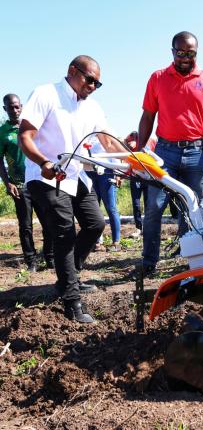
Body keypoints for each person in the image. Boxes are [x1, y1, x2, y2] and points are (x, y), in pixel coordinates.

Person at [18, 55, 126, 323]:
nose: (92, 86)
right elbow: (25, 136)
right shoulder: (46, 94)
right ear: (72, 71)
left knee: (95, 224)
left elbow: (109, 144)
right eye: (89, 79)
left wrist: (134, 160)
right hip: (46, 176)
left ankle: (71, 277)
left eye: (97, 84)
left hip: (75, 175)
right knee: (64, 234)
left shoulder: (92, 108)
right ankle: (72, 301)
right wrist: (43, 162)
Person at [135, 31, 203, 277]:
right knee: (154, 206)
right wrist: (138, 151)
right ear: (172, 51)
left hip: (196, 153)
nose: (186, 58)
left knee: (193, 208)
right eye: (181, 53)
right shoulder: (157, 78)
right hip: (164, 153)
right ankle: (149, 262)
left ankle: (191, 258)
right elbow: (147, 116)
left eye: (191, 53)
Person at [0, 94, 53, 272]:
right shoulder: (3, 133)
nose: (14, 110)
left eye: (16, 106)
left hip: (39, 181)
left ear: (21, 107)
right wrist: (8, 183)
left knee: (48, 222)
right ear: (4, 109)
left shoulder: (31, 127)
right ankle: (31, 261)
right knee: (26, 225)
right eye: (10, 107)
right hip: (20, 186)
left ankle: (50, 257)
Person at [86, 137, 121, 251]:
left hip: (106, 173)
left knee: (111, 208)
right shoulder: (86, 136)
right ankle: (97, 242)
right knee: (94, 209)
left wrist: (118, 173)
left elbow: (113, 152)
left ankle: (116, 241)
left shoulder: (105, 134)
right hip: (90, 173)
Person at [124, 131, 148, 238]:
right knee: (136, 204)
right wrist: (128, 141)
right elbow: (122, 143)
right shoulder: (130, 142)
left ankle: (148, 227)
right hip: (135, 177)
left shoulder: (148, 142)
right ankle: (139, 228)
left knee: (148, 203)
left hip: (147, 177)